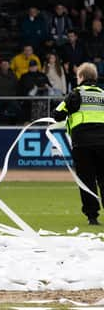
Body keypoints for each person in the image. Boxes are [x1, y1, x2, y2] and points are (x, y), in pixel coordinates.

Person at [54, 63, 104, 226]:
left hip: (82, 144)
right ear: (94, 78)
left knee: (87, 180)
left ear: (81, 77)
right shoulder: (103, 94)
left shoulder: (76, 94)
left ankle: (92, 216)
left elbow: (58, 114)